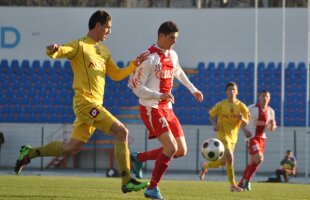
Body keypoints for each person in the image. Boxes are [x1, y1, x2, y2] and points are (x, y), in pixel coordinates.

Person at [14, 10, 150, 194]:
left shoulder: (104, 51)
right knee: (121, 131)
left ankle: (29, 153)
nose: (109, 32)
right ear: (98, 26)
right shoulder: (79, 45)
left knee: (72, 147)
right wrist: (53, 49)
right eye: (108, 28)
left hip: (94, 105)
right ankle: (127, 180)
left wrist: (134, 64)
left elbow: (116, 75)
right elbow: (62, 50)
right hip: (85, 103)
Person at [128, 21, 204, 199]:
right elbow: (136, 88)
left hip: (167, 109)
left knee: (180, 150)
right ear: (161, 36)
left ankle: (139, 158)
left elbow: (178, 72)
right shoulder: (148, 58)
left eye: (176, 38)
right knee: (170, 147)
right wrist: (159, 95)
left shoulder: (173, 54)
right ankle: (152, 188)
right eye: (171, 38)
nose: (174, 42)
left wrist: (193, 90)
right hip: (151, 108)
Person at [199, 82, 250, 192]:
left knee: (223, 162)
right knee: (231, 158)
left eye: (233, 89)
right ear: (226, 92)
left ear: (237, 92)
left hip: (234, 137)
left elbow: (247, 122)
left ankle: (205, 166)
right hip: (223, 135)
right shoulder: (221, 105)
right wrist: (214, 125)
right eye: (229, 89)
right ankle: (233, 185)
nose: (231, 91)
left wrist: (242, 119)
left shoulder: (241, 106)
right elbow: (211, 115)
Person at [238, 90, 277, 191]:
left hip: (262, 138)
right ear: (259, 97)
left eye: (267, 96)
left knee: (255, 161)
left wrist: (273, 125)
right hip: (251, 137)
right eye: (263, 96)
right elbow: (240, 120)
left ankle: (242, 183)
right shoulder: (251, 108)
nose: (265, 98)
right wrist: (245, 130)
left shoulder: (271, 111)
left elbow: (272, 128)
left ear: (269, 98)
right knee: (259, 158)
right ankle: (247, 180)